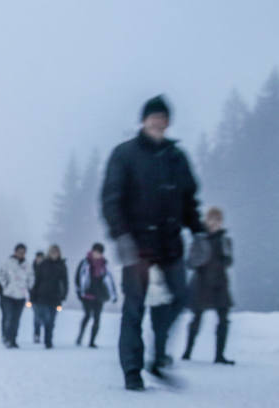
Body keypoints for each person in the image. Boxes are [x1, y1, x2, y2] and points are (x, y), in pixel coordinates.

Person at [101, 95, 205, 391]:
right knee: (134, 309)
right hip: (137, 249)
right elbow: (111, 199)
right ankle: (132, 371)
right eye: (152, 116)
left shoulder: (177, 158)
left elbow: (189, 201)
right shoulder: (125, 154)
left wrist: (198, 232)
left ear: (168, 122)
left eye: (162, 117)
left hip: (170, 246)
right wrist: (121, 235)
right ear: (143, 120)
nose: (157, 121)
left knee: (179, 298)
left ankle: (158, 358)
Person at [182, 207, 235, 364]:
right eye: (213, 219)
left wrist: (225, 256)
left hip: (220, 283)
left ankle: (219, 355)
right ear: (207, 220)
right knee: (196, 319)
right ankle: (187, 352)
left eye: (218, 220)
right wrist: (202, 258)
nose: (215, 223)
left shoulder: (225, 240)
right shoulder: (199, 239)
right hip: (201, 283)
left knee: (224, 319)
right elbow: (190, 262)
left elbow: (229, 261)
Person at [75, 243, 117, 348]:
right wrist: (79, 292)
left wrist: (113, 294)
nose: (97, 254)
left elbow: (109, 280)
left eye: (99, 252)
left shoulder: (104, 264)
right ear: (92, 251)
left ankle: (92, 341)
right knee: (88, 315)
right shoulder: (85, 263)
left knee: (97, 318)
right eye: (96, 251)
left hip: (99, 295)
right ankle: (80, 336)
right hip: (87, 295)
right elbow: (78, 278)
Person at [0, 243, 34, 348]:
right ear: (15, 252)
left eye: (23, 252)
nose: (21, 254)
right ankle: (6, 337)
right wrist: (5, 287)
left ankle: (13, 339)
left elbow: (31, 278)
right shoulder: (8, 263)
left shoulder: (27, 265)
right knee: (8, 317)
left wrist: (28, 288)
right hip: (8, 296)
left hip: (20, 297)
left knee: (16, 319)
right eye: (19, 251)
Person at [30, 246, 68, 348]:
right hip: (42, 296)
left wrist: (64, 295)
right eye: (52, 252)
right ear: (49, 253)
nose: (54, 254)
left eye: (56, 252)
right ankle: (42, 337)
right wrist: (33, 295)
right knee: (44, 318)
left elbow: (65, 282)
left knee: (52, 320)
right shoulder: (43, 265)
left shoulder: (62, 266)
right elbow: (36, 280)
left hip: (56, 297)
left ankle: (48, 339)